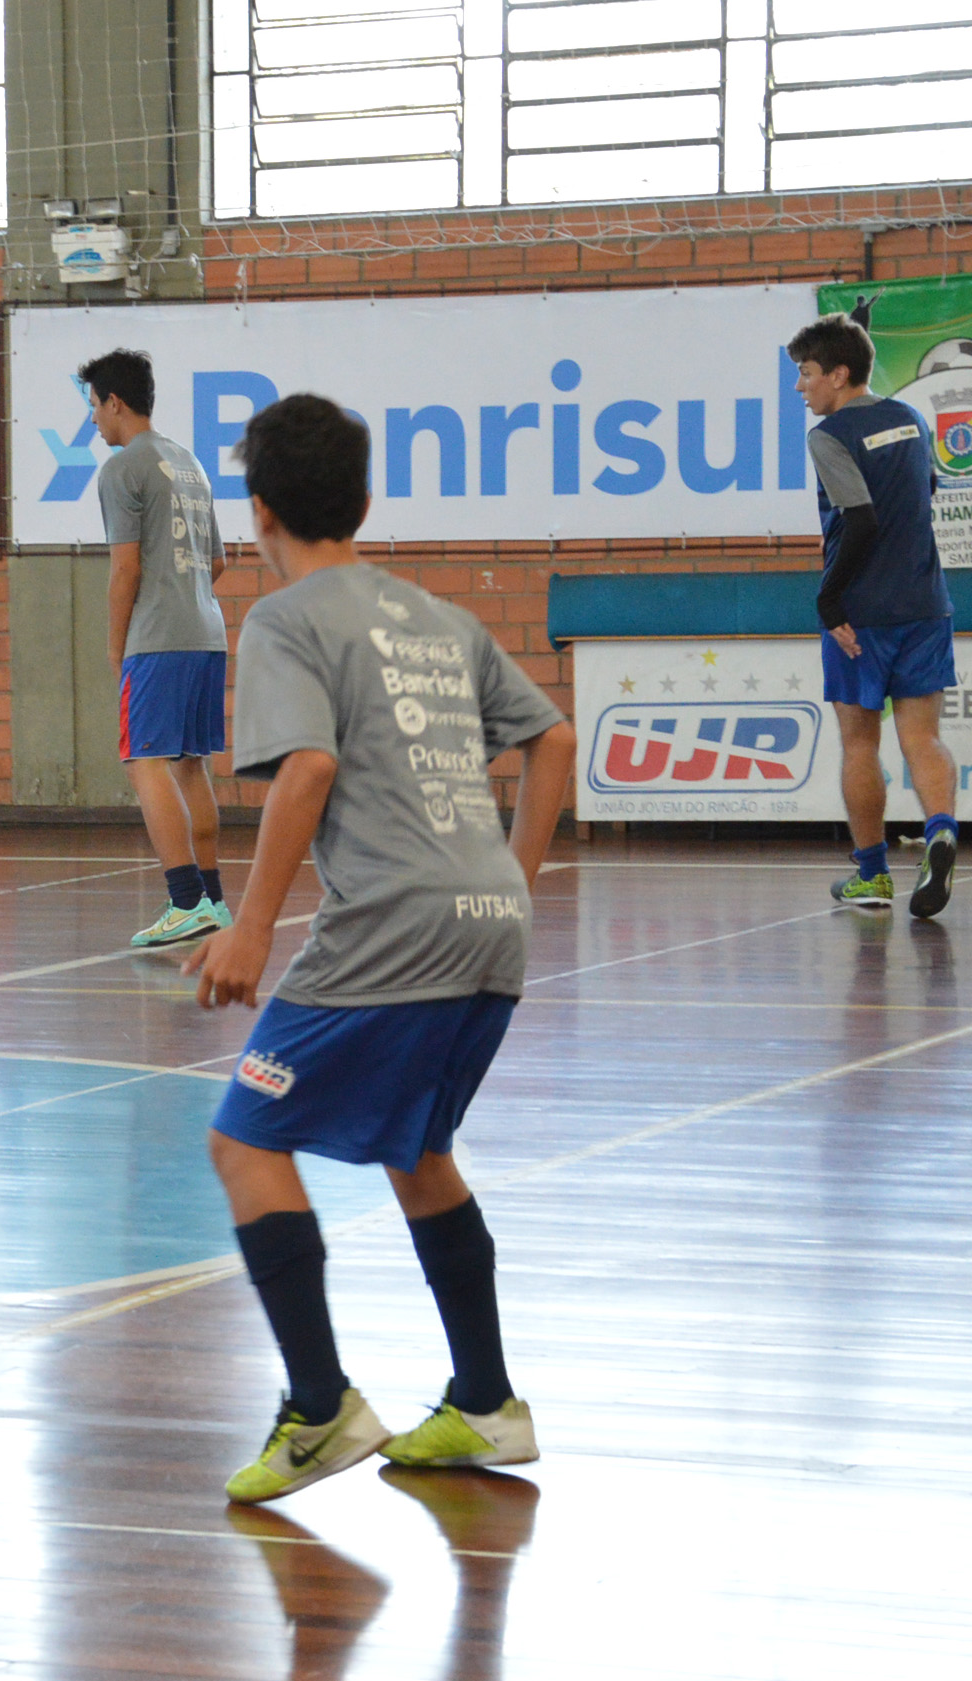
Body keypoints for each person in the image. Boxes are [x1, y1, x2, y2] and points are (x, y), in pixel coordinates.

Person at [183, 394, 577, 1503]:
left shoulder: (286, 621)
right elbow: (553, 739)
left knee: (245, 1141)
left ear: (259, 512)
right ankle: (486, 1403)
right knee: (418, 1151)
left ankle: (319, 1408)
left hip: (392, 932)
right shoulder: (436, 617)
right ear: (363, 500)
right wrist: (513, 876)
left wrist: (249, 924)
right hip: (491, 929)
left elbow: (306, 767)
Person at [790, 313, 961, 918]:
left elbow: (860, 519)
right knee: (924, 737)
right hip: (925, 602)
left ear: (838, 375)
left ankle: (873, 877)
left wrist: (829, 597)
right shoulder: (910, 417)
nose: (800, 386)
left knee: (860, 742)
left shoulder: (829, 435)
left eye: (806, 373)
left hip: (860, 615)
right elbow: (925, 492)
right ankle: (941, 832)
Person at [84, 348, 236, 948]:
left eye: (95, 406)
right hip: (207, 634)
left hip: (158, 641)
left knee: (144, 763)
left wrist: (117, 647)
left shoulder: (122, 470)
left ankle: (185, 901)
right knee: (189, 764)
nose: (93, 419)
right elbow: (217, 562)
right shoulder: (189, 463)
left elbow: (126, 569)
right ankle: (214, 901)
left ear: (115, 402)